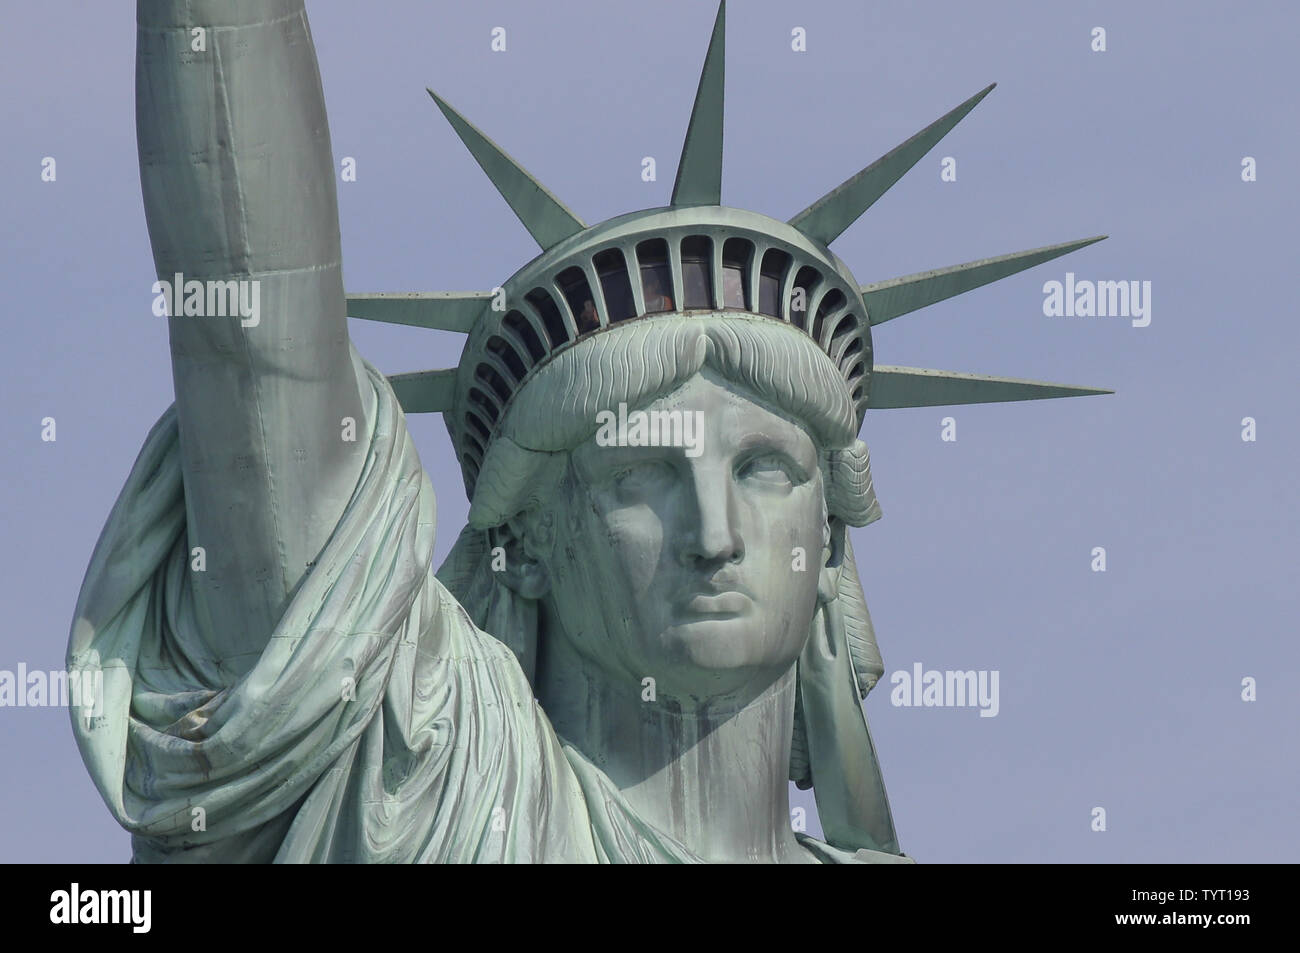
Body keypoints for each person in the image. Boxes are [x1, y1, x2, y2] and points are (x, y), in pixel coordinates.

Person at [66, 0, 906, 864]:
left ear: (831, 535)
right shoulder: (431, 787)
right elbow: (255, 351)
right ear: (528, 540)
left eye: (764, 467)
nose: (714, 535)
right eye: (642, 474)